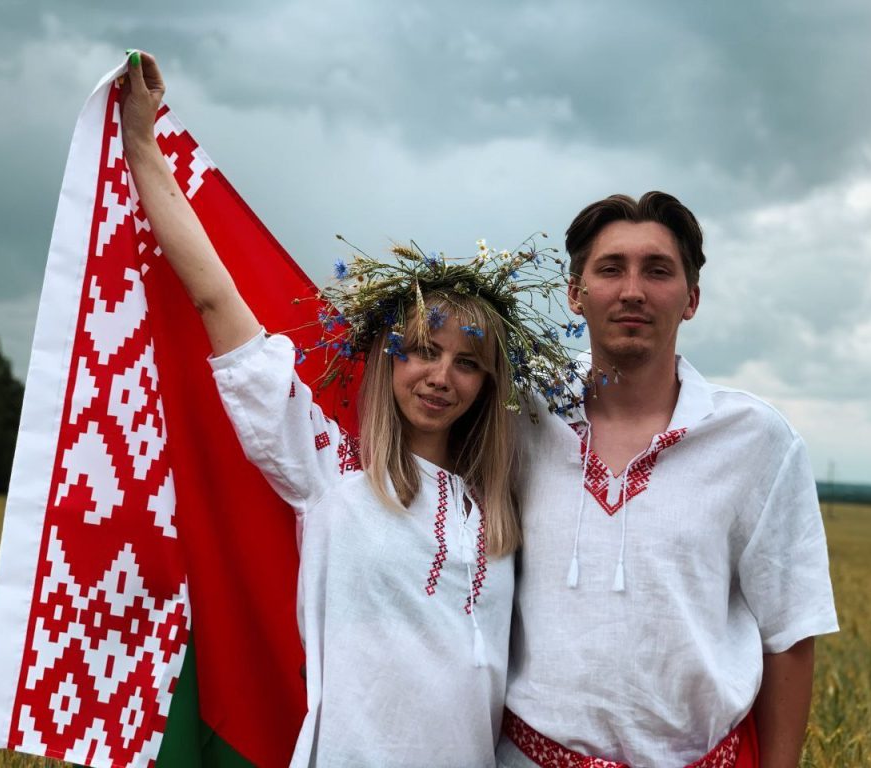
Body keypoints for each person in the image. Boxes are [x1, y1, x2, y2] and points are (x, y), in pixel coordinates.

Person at [119, 51, 576, 767]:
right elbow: (216, 300)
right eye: (422, 350)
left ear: (489, 386)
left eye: (467, 363)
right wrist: (142, 145)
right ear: (388, 359)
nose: (440, 377)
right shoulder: (332, 474)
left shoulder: (499, 507)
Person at [497, 193, 839, 768]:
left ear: (691, 299)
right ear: (575, 293)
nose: (633, 290)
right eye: (611, 269)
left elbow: (789, 634)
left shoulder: (756, 440)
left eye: (657, 271)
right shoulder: (515, 417)